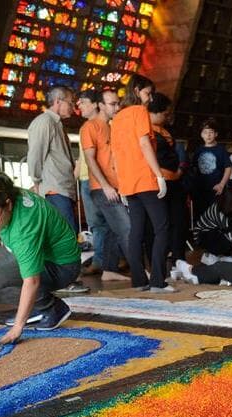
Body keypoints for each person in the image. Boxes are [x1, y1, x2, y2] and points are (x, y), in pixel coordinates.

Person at [0, 174, 80, 344]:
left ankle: (51, 309)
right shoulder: (8, 192)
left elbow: (32, 281)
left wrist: (17, 328)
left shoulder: (24, 230)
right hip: (43, 253)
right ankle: (35, 307)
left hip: (62, 266)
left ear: (8, 204)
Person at [109, 74, 173, 292]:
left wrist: (121, 183)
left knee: (136, 231)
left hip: (127, 181)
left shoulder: (117, 118)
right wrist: (159, 175)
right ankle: (157, 280)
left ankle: (139, 280)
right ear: (136, 91)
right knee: (163, 227)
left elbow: (115, 155)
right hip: (145, 178)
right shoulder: (139, 112)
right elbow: (145, 144)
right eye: (147, 93)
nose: (150, 98)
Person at [78, 89, 130, 281]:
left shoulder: (111, 127)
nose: (116, 107)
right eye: (112, 104)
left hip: (114, 186)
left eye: (118, 103)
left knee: (110, 229)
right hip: (102, 188)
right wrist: (106, 185)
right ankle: (141, 273)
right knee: (126, 228)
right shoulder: (90, 127)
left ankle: (109, 270)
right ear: (100, 105)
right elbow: (90, 159)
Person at [26, 86, 77, 228]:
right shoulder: (45, 121)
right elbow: (35, 155)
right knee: (67, 237)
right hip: (54, 189)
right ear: (58, 101)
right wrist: (36, 182)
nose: (73, 107)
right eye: (70, 102)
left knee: (68, 235)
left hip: (63, 188)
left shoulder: (57, 123)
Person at [148, 92, 188, 266]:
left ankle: (179, 259)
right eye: (164, 113)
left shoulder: (164, 130)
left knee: (179, 221)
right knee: (160, 225)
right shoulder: (146, 129)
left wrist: (179, 170)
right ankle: (159, 264)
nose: (166, 117)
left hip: (173, 181)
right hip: (158, 181)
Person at [191, 185, 232, 259]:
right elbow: (231, 237)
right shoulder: (221, 214)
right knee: (228, 244)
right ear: (231, 203)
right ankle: (215, 254)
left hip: (219, 229)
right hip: (203, 235)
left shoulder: (228, 207)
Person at [190, 118, 232, 221]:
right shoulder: (198, 150)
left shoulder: (221, 150)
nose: (208, 135)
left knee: (216, 217)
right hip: (200, 190)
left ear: (216, 134)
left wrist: (222, 184)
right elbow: (194, 168)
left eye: (211, 132)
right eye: (205, 132)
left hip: (216, 189)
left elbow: (228, 167)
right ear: (201, 135)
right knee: (200, 217)